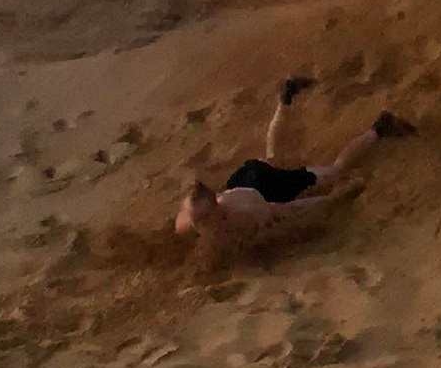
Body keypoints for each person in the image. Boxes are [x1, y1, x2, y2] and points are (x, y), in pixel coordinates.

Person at [175, 76, 414, 248]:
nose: (199, 225)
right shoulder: (190, 223)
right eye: (197, 220)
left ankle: (380, 128)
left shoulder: (245, 214)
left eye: (204, 219)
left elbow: (287, 209)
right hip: (244, 179)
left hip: (266, 187)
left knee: (334, 172)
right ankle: (285, 98)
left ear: (217, 210)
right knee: (271, 159)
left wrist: (332, 199)